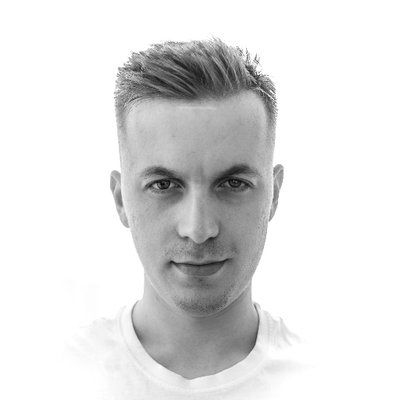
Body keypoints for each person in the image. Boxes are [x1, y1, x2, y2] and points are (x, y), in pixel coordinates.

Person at [65, 37, 309, 399]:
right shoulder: (47, 378)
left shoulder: (335, 381)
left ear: (273, 194)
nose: (198, 230)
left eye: (233, 184)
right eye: (163, 185)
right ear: (120, 199)